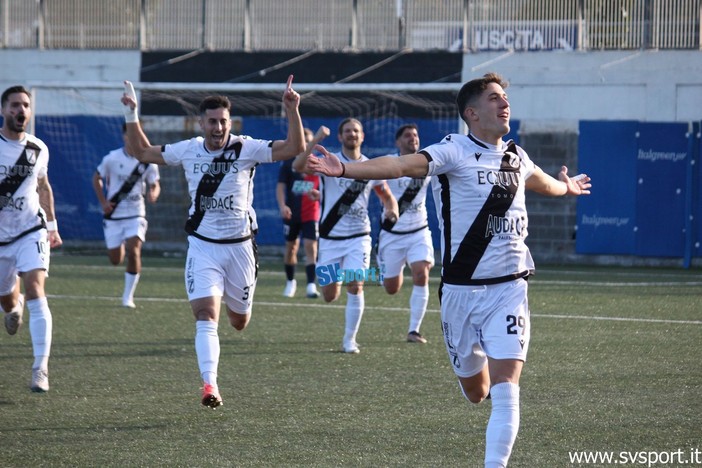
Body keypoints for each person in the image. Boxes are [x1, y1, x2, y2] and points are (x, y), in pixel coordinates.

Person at [307, 72, 591, 467]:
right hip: (460, 294)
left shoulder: (517, 157)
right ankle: (313, 278)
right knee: (477, 392)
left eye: (505, 97)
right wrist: (346, 169)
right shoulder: (452, 150)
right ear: (472, 113)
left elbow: (545, 183)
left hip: (510, 288)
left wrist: (568, 187)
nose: (505, 103)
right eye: (495, 98)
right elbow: (400, 165)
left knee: (508, 388)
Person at [120, 75, 304, 408]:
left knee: (239, 322)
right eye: (212, 122)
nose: (217, 127)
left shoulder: (247, 147)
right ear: (201, 123)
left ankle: (235, 323)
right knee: (206, 315)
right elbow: (142, 151)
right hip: (203, 246)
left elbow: (294, 148)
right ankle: (210, 386)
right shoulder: (188, 149)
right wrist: (132, 114)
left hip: (241, 248)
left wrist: (291, 109)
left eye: (223, 121)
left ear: (229, 122)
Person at [295, 117, 398, 354]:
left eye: (356, 131)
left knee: (356, 284)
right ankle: (334, 281)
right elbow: (298, 167)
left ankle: (349, 341)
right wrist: (317, 140)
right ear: (340, 137)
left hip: (359, 236)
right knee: (330, 295)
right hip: (330, 237)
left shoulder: (372, 166)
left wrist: (392, 208)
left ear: (362, 136)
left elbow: (386, 194)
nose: (352, 134)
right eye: (348, 131)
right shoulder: (328, 160)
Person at [0, 85, 63, 393]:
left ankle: (41, 368)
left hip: (30, 230)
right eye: (14, 105)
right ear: (3, 110)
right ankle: (13, 309)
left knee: (36, 288)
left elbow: (44, 186)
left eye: (25, 105)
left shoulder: (38, 148)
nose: (20, 110)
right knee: (8, 301)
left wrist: (52, 225)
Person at [92, 123, 161, 308]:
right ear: (124, 136)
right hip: (114, 216)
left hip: (136, 214)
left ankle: (127, 297)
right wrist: (103, 202)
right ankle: (120, 245)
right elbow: (96, 178)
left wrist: (154, 192)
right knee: (116, 260)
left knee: (134, 251)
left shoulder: (148, 161)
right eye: (130, 134)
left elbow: (155, 183)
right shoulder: (111, 158)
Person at [377, 123, 434, 344]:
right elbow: (378, 185)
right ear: (398, 142)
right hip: (392, 234)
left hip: (419, 231)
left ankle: (414, 330)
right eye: (408, 136)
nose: (413, 139)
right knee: (392, 288)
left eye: (416, 135)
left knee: (421, 273)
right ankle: (382, 260)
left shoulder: (428, 162)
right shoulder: (389, 162)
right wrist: (389, 204)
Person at [276, 127, 321, 299]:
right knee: (291, 248)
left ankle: (310, 285)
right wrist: (282, 206)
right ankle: (290, 282)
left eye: (310, 139)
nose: (306, 142)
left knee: (311, 246)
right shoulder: (288, 163)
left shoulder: (318, 162)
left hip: (311, 213)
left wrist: (319, 197)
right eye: (303, 139)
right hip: (292, 213)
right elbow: (280, 186)